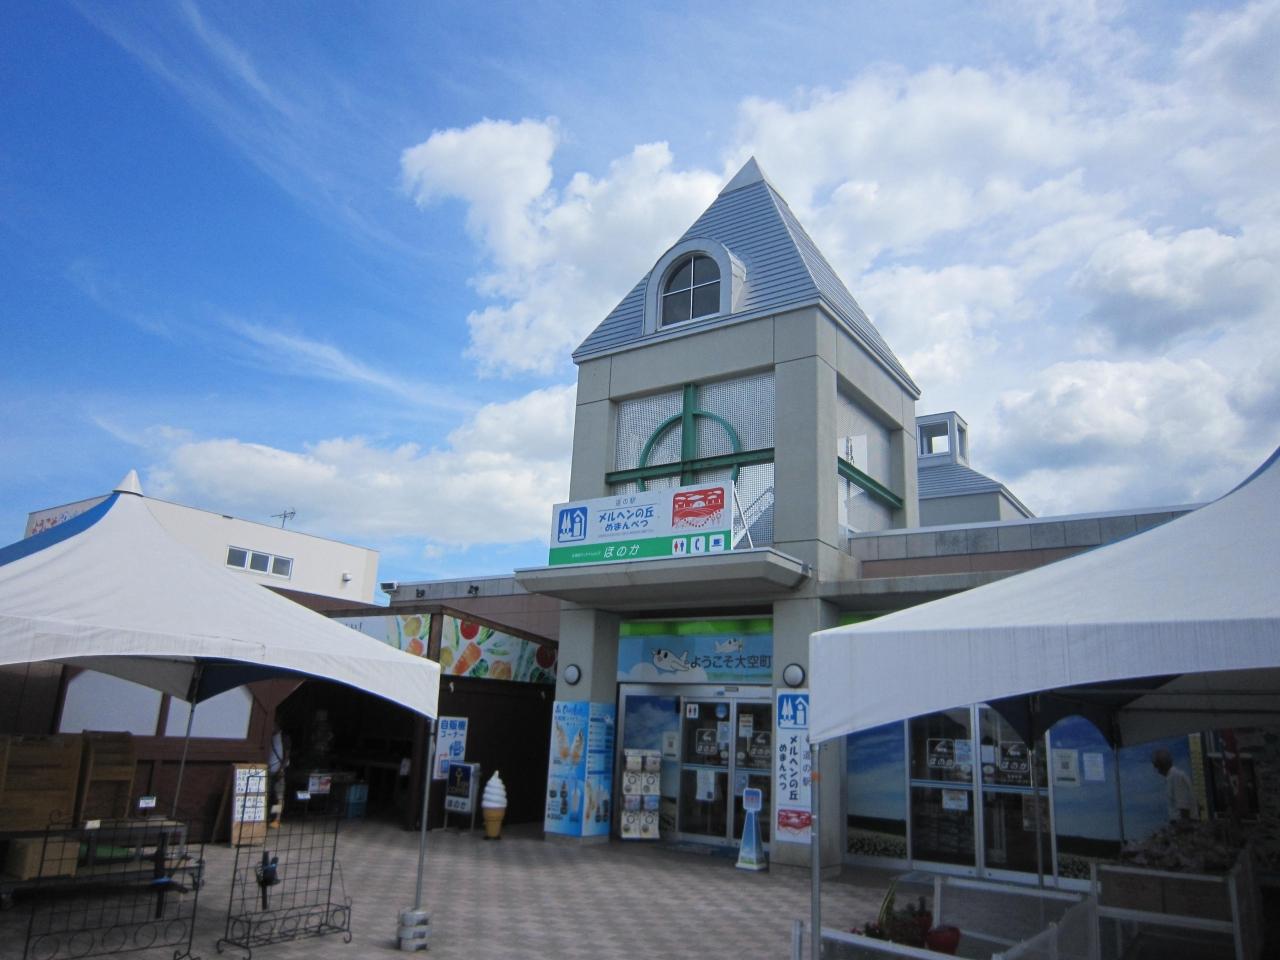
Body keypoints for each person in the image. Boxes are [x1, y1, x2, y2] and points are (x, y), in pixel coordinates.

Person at [1151, 748, 1195, 821]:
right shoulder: (1173, 776)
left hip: (1183, 823)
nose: (1156, 770)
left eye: (1156, 766)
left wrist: (1183, 825)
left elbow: (1183, 806)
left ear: (1161, 766)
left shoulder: (1176, 777)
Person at [268, 726, 290, 828]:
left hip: (279, 772)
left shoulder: (284, 739)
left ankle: (276, 818)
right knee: (268, 795)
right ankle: (268, 817)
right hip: (268, 770)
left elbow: (286, 756)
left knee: (278, 797)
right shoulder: (268, 737)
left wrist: (281, 769)